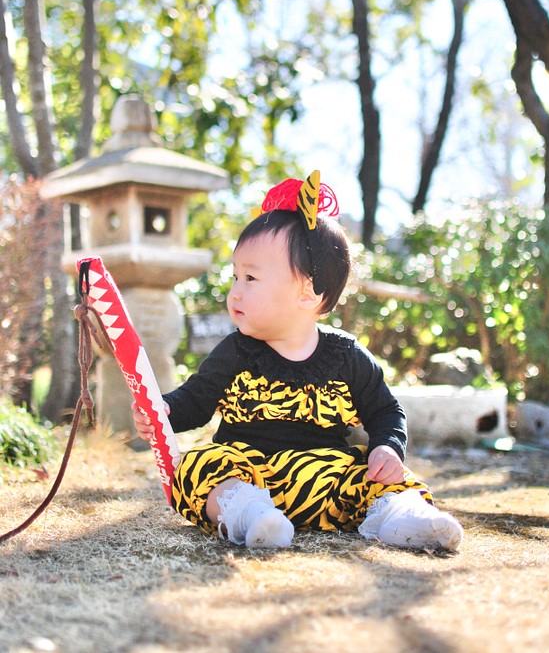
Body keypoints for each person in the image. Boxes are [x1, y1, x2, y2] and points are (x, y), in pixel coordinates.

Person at [132, 171, 463, 552]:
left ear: (308, 293)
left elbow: (386, 411)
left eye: (251, 279)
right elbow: (195, 400)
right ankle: (249, 516)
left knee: (384, 479)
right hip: (249, 474)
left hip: (326, 479)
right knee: (197, 468)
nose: (235, 293)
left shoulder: (346, 356)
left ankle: (401, 516)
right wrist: (163, 410)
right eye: (235, 277)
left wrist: (386, 448)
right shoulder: (236, 351)